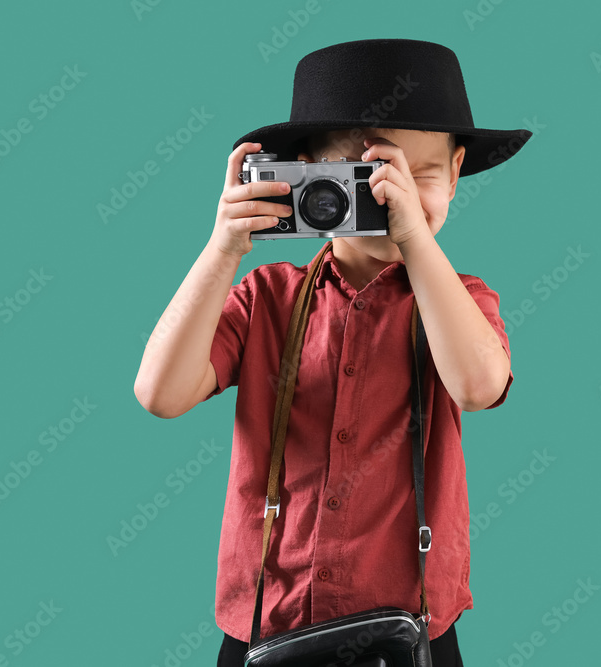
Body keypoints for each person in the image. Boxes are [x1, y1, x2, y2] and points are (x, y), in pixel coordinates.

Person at [133, 38, 532, 667]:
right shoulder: (267, 297)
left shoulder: (460, 302)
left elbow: (479, 386)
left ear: (456, 175)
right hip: (269, 625)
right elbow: (159, 393)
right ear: (307, 179)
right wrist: (222, 251)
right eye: (365, 179)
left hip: (411, 633)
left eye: (418, 176)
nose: (389, 198)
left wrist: (415, 238)